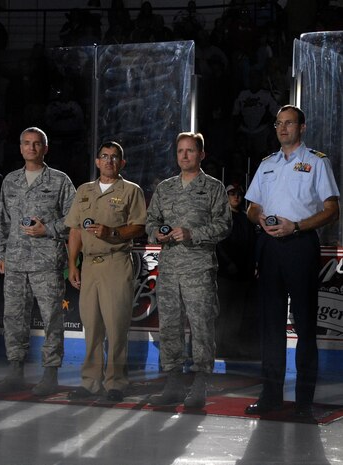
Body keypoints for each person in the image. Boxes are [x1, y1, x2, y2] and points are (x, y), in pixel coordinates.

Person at [244, 105, 340, 418]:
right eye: (278, 124)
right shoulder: (267, 164)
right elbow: (251, 207)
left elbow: (331, 209)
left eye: (289, 123)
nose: (283, 128)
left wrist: (295, 226)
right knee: (270, 327)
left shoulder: (316, 162)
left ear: (302, 127)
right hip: (270, 247)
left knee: (305, 325)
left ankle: (303, 403)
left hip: (300, 245)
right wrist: (262, 219)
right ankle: (271, 396)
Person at [146, 132, 232, 408]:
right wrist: (156, 234)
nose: (184, 156)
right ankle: (172, 381)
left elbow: (224, 226)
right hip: (169, 269)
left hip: (199, 269)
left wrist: (192, 233)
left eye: (190, 151)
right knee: (169, 326)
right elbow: (150, 222)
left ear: (201, 154)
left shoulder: (213, 188)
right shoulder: (165, 188)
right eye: (180, 151)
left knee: (201, 326)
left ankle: (200, 383)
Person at [0, 127, 76, 396]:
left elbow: (74, 221)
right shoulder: (10, 181)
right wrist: (0, 254)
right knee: (13, 318)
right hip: (15, 262)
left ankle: (50, 375)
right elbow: (3, 222)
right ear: (20, 148)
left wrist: (47, 229)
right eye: (26, 143)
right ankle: (15, 372)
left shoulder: (60, 181)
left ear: (45, 148)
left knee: (52, 318)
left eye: (37, 144)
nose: (31, 148)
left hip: (46, 262)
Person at [65, 141, 147, 402]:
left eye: (115, 157)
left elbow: (139, 226)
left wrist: (112, 232)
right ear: (97, 161)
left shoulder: (131, 191)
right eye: (104, 156)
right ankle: (90, 383)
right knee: (91, 326)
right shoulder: (84, 191)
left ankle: (116, 383)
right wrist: (72, 264)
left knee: (116, 326)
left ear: (122, 163)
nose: (109, 161)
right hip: (89, 265)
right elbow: (75, 230)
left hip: (116, 261)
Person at [216, 183, 258, 359]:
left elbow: (253, 243)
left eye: (239, 193)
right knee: (222, 312)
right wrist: (227, 264)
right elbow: (217, 244)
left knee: (237, 313)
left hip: (244, 274)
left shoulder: (246, 218)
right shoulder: (219, 217)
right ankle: (218, 347)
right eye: (231, 193)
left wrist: (254, 265)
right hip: (225, 274)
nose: (236, 197)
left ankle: (231, 347)